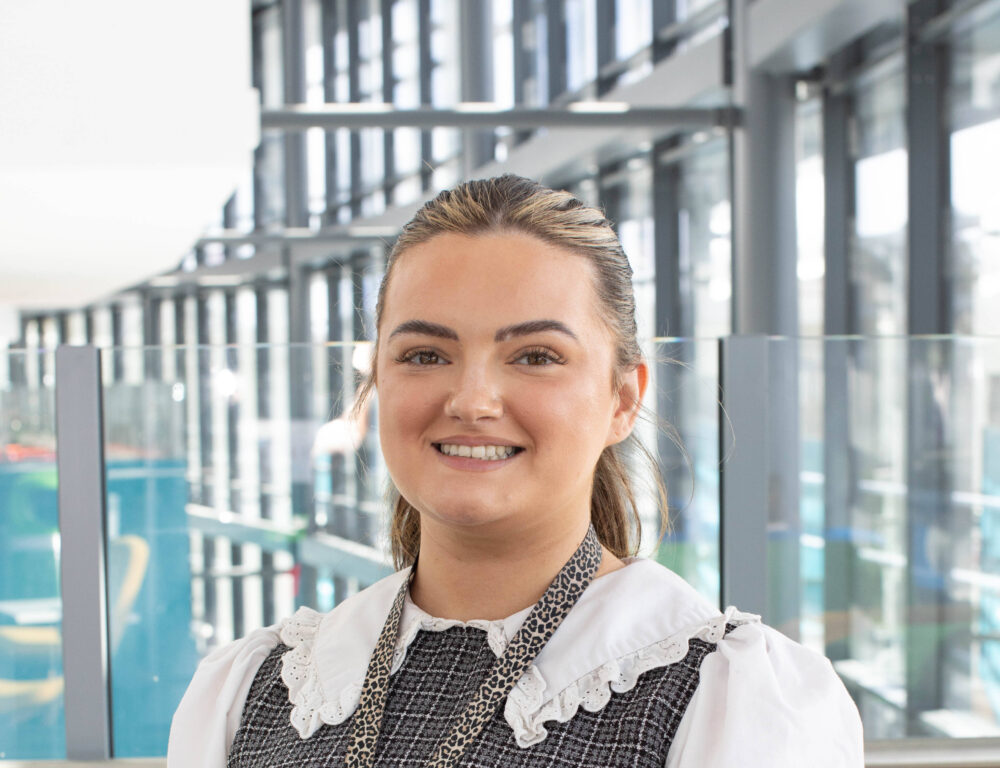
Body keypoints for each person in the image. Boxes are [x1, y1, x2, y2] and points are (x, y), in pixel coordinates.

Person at [167, 174, 864, 767]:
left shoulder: (722, 694)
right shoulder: (257, 690)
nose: (471, 401)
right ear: (376, 380)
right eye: (424, 355)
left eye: (535, 356)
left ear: (623, 400)